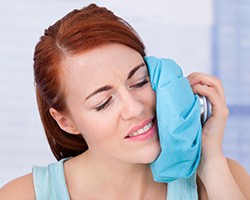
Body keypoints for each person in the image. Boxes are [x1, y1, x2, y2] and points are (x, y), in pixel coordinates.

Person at [0, 3, 249, 200]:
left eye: (140, 81)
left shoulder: (221, 180)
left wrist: (209, 160)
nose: (135, 108)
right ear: (66, 121)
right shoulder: (22, 196)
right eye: (103, 102)